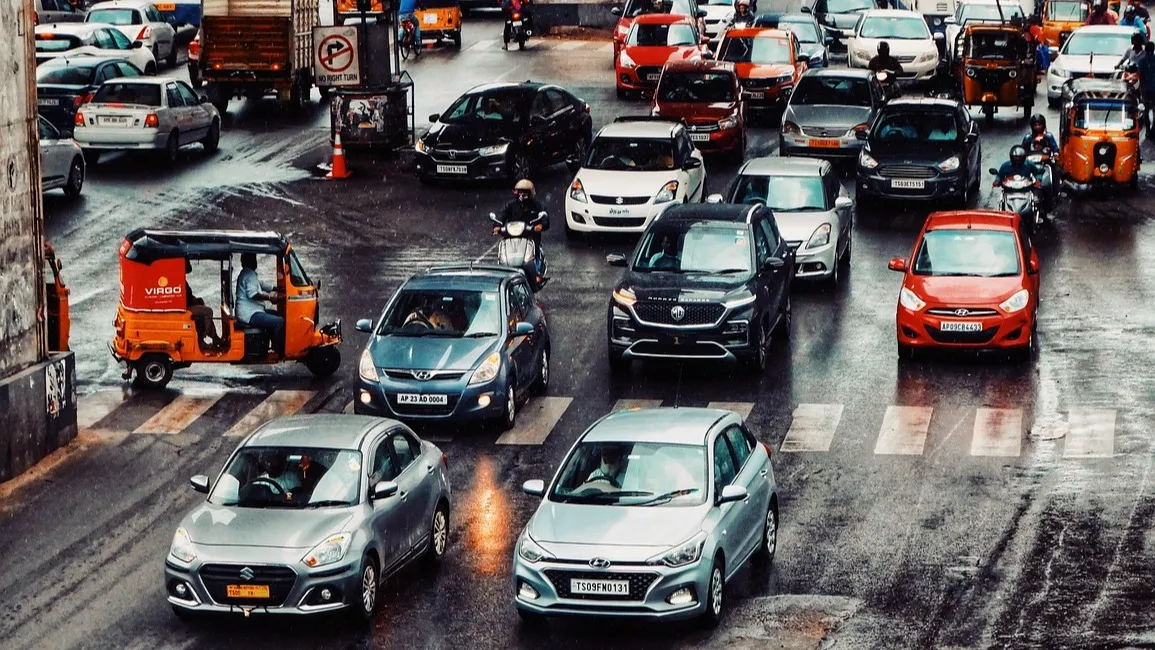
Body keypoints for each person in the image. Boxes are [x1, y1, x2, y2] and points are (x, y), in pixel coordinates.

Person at [497, 179, 549, 278]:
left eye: (525, 192)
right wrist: (497, 226)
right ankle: (502, 268)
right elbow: (501, 216)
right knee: (503, 247)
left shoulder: (537, 206)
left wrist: (541, 226)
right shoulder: (510, 205)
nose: (522, 195)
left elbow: (546, 220)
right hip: (511, 237)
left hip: (530, 237)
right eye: (520, 192)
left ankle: (537, 272)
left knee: (535, 248)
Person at [235, 253, 283, 354]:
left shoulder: (247, 273)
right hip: (250, 314)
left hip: (251, 310)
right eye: (254, 259)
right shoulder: (249, 275)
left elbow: (260, 284)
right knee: (280, 322)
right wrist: (270, 298)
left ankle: (273, 344)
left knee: (278, 315)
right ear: (251, 261)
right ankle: (278, 351)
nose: (256, 262)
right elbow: (253, 294)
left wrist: (276, 288)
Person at [1022, 114, 1059, 210]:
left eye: (1040, 125)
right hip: (1031, 162)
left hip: (1046, 162)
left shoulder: (1048, 137)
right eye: (1035, 125)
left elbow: (1055, 149)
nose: (1038, 127)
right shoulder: (1028, 138)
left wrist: (1055, 155)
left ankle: (1055, 193)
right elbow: (1022, 150)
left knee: (1055, 170)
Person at [185, 260, 222, 348]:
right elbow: (185, 297)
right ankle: (201, 340)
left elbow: (188, 296)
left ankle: (215, 338)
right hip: (185, 308)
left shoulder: (182, 280)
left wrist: (197, 300)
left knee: (205, 314)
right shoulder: (178, 280)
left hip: (188, 305)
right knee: (208, 312)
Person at [1139, 40, 1155, 138]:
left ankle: (1148, 130)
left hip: (1145, 89)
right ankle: (1153, 129)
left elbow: (1139, 75)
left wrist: (1141, 87)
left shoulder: (1142, 60)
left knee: (1146, 109)